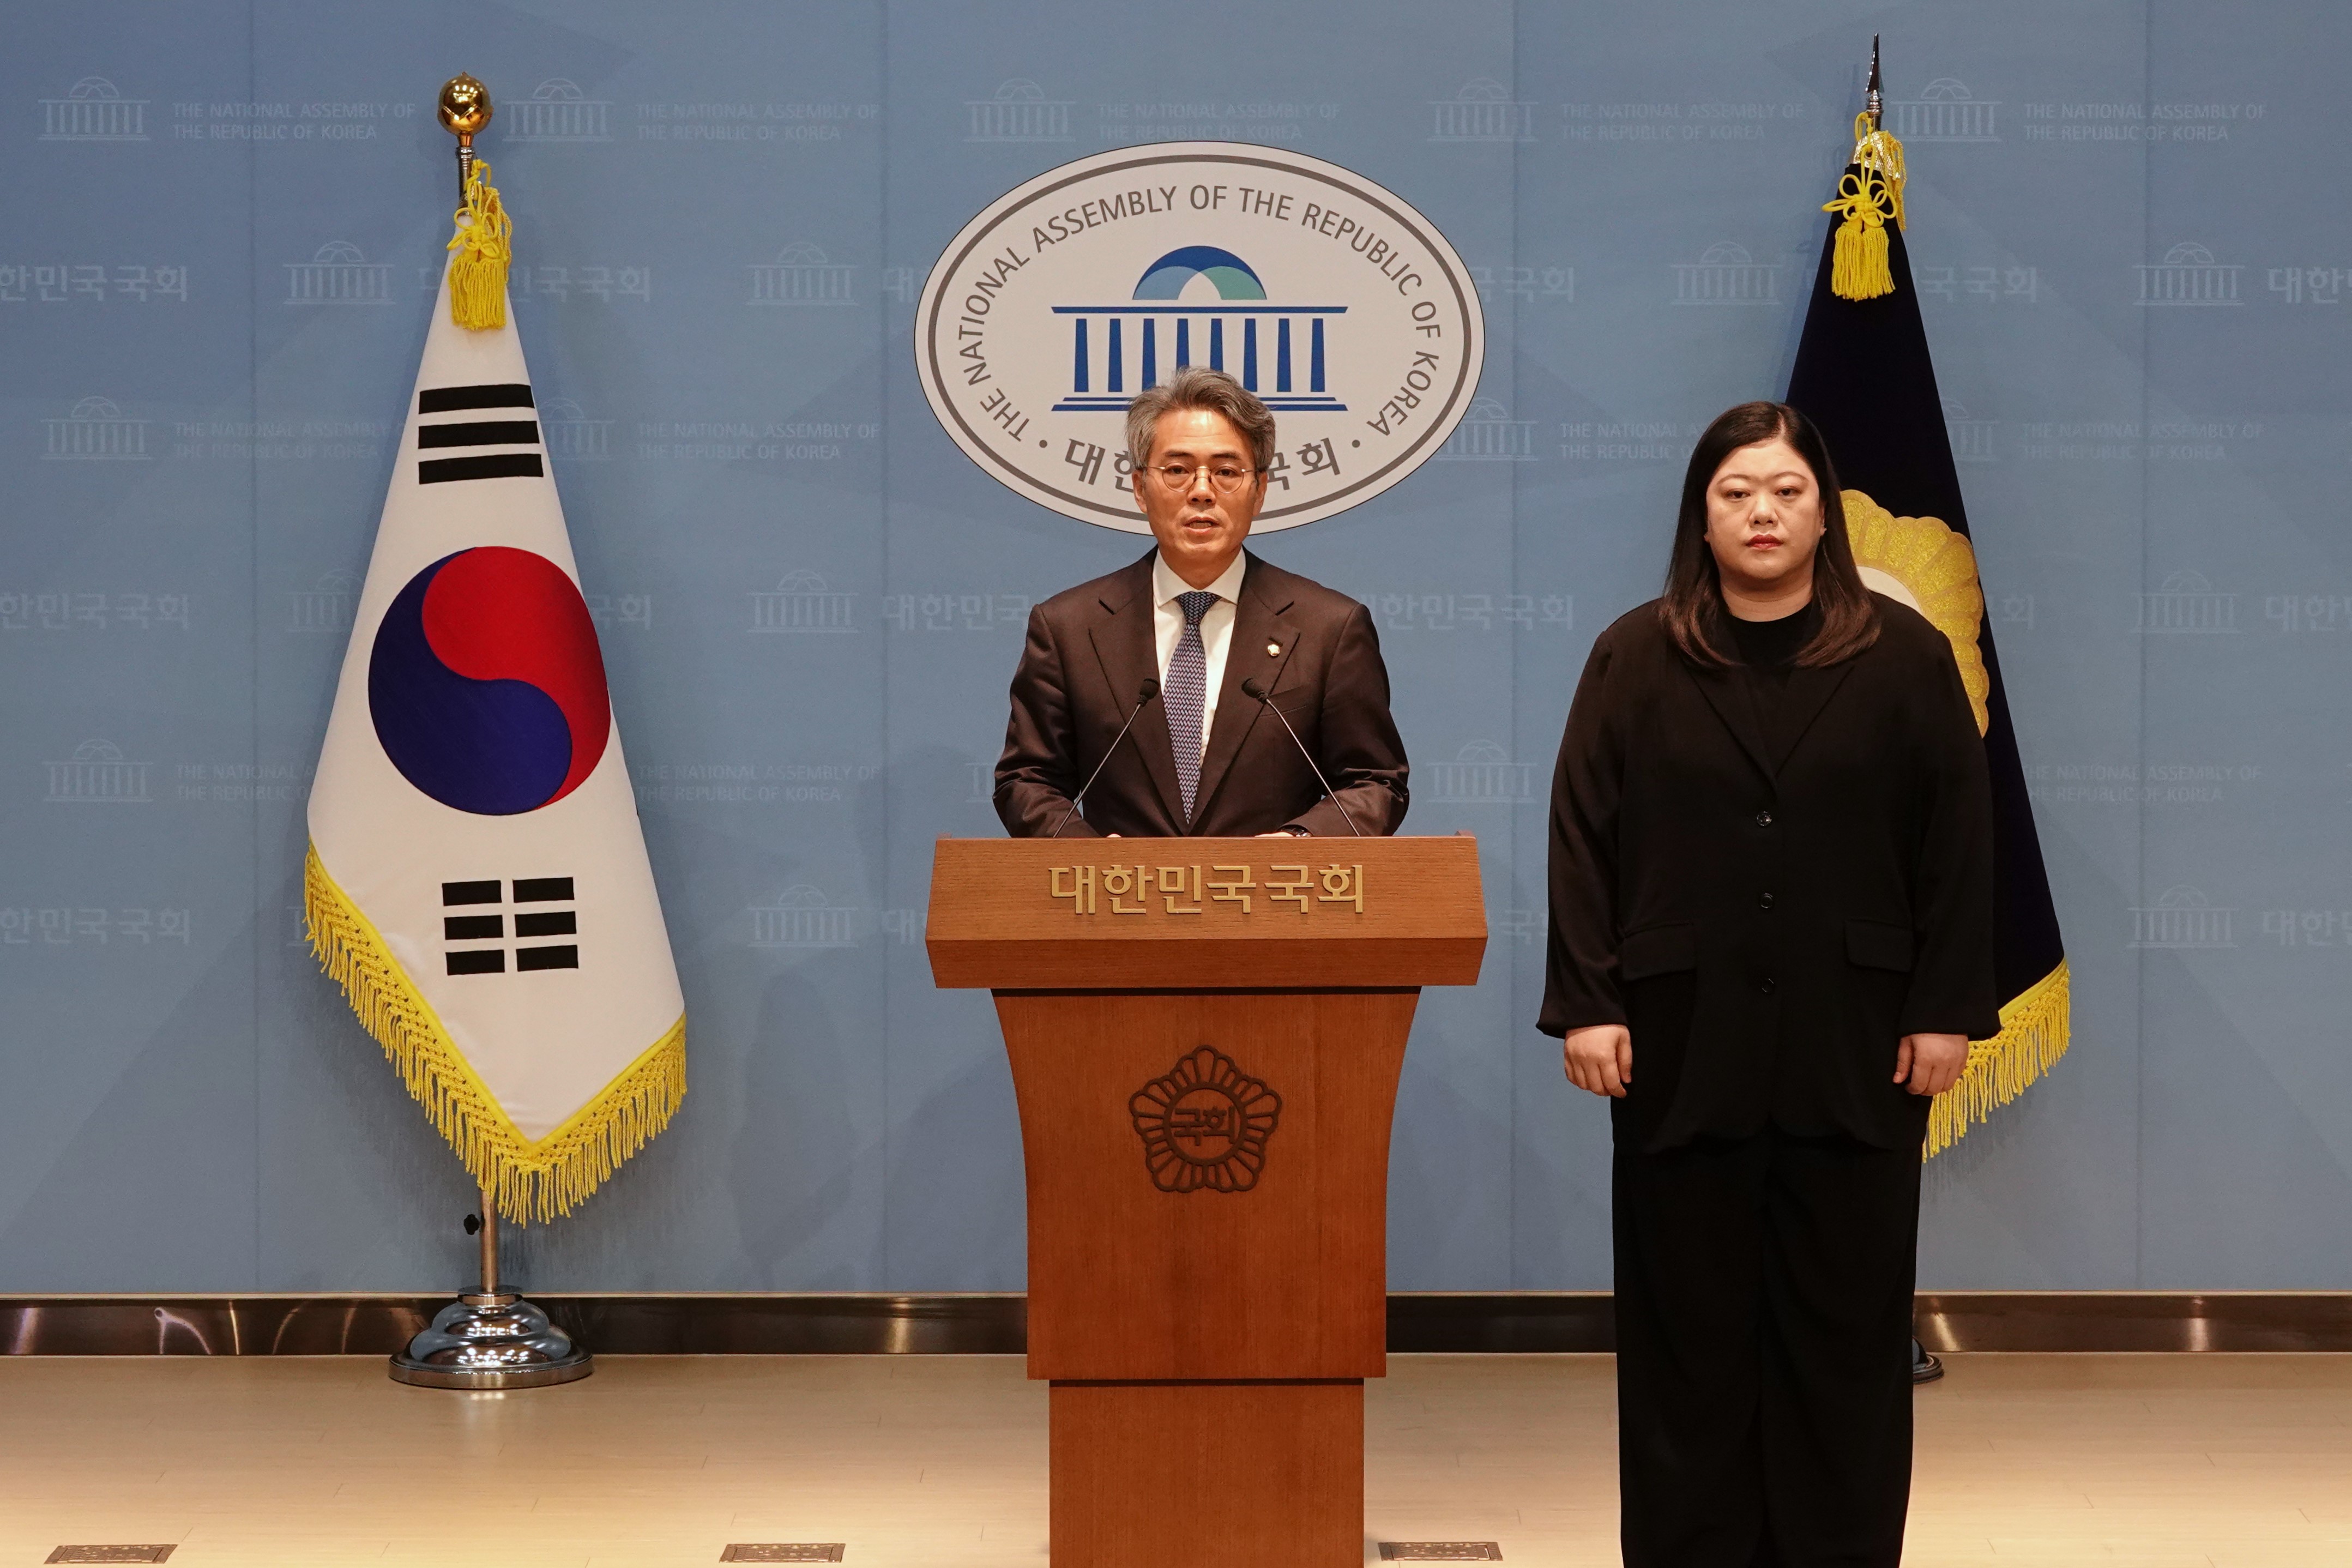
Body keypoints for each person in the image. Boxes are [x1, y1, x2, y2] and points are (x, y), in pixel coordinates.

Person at [1539, 401, 1997, 1566]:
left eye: (1786, 491)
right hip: (1677, 1047)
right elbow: (1582, 838)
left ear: (1822, 512)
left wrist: (1943, 1008)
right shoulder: (1634, 655)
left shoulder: (1904, 659)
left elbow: (1956, 845)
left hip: (1859, 1049)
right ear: (1701, 514)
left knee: (1844, 1341)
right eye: (1736, 491)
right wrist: (1589, 1000)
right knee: (1685, 1342)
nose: (1761, 512)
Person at [995, 365, 1407, 839]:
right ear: (1139, 488)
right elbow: (1027, 780)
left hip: (1275, 885)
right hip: (1118, 886)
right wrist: (1089, 858)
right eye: (1177, 470)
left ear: (1260, 491)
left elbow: (1374, 782)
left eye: (1227, 472)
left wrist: (1299, 845)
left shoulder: (1329, 628)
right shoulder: (1068, 628)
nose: (1202, 491)